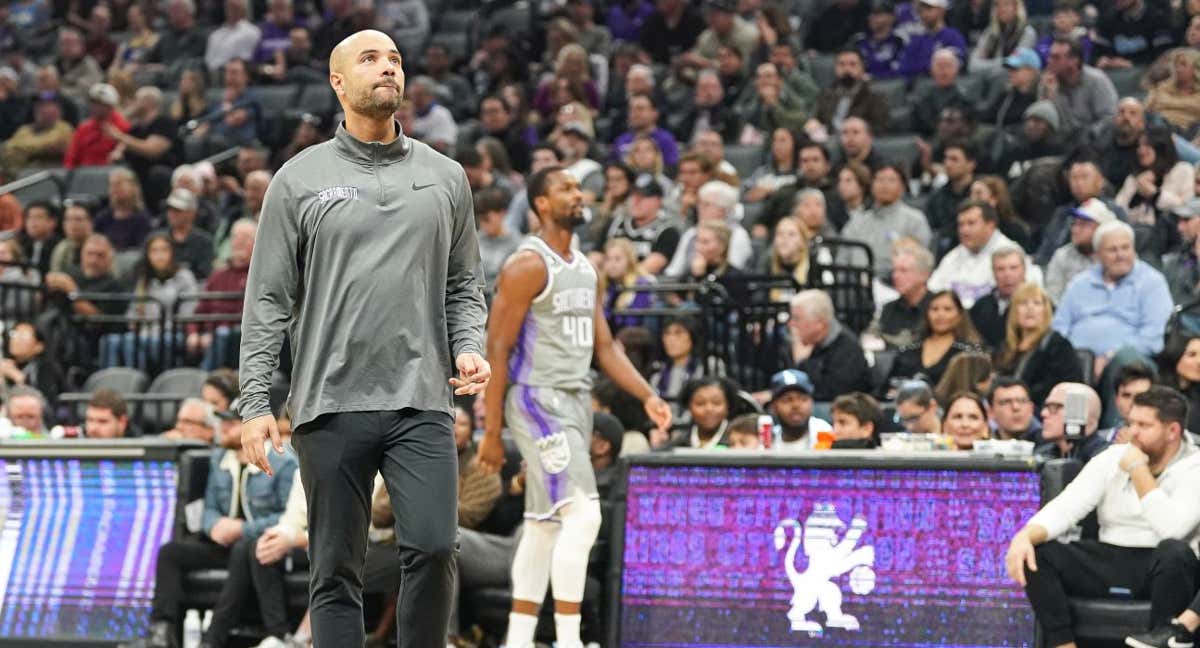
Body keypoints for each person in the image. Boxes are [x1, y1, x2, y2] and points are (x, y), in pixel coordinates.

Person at [237, 30, 491, 648]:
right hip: (327, 402)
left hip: (423, 399)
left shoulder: (446, 176)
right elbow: (267, 299)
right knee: (334, 571)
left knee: (433, 547)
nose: (388, 68)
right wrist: (253, 404)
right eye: (370, 59)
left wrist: (469, 344)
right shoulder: (299, 180)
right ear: (338, 83)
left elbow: (465, 285)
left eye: (396, 60)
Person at [476, 165, 671, 648]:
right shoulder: (526, 265)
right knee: (584, 517)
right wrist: (492, 430)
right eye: (565, 188)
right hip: (537, 400)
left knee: (543, 526)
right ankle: (568, 640)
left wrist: (647, 394)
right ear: (541, 203)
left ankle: (517, 640)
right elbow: (496, 349)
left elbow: (606, 349)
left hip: (576, 401)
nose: (578, 194)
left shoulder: (587, 269)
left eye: (579, 186)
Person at [1005, 387, 1200, 648]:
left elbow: (1171, 529)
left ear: (1172, 431)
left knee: (1175, 552)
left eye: (1144, 425)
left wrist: (1138, 470)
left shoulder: (1194, 467)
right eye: (1131, 423)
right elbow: (1066, 507)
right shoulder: (1111, 458)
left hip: (1163, 565)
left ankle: (1162, 638)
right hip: (1110, 557)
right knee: (1038, 553)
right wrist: (1025, 535)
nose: (1133, 433)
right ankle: (1063, 644)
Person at [995, 283, 1082, 408]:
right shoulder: (1006, 347)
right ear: (1014, 311)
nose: (1030, 308)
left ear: (1045, 311)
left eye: (1036, 303)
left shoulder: (1058, 345)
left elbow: (1059, 388)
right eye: (1023, 303)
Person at [887, 290, 983, 390]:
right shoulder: (908, 350)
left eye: (947, 309)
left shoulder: (968, 352)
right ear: (927, 314)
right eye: (934, 309)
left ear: (960, 315)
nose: (940, 314)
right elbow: (889, 387)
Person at [787, 289, 872, 402]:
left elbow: (830, 395)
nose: (791, 324)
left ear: (819, 324)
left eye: (797, 318)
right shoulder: (803, 343)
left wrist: (803, 362)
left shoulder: (848, 350)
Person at [1035, 382, 1109, 463]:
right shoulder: (1041, 455)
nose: (1043, 413)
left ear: (1083, 413)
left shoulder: (1106, 457)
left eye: (1054, 407)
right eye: (1046, 406)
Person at [765, 368, 833, 450]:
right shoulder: (767, 440)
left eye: (803, 399)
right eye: (787, 400)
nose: (796, 405)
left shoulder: (823, 432)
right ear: (774, 407)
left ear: (811, 402)